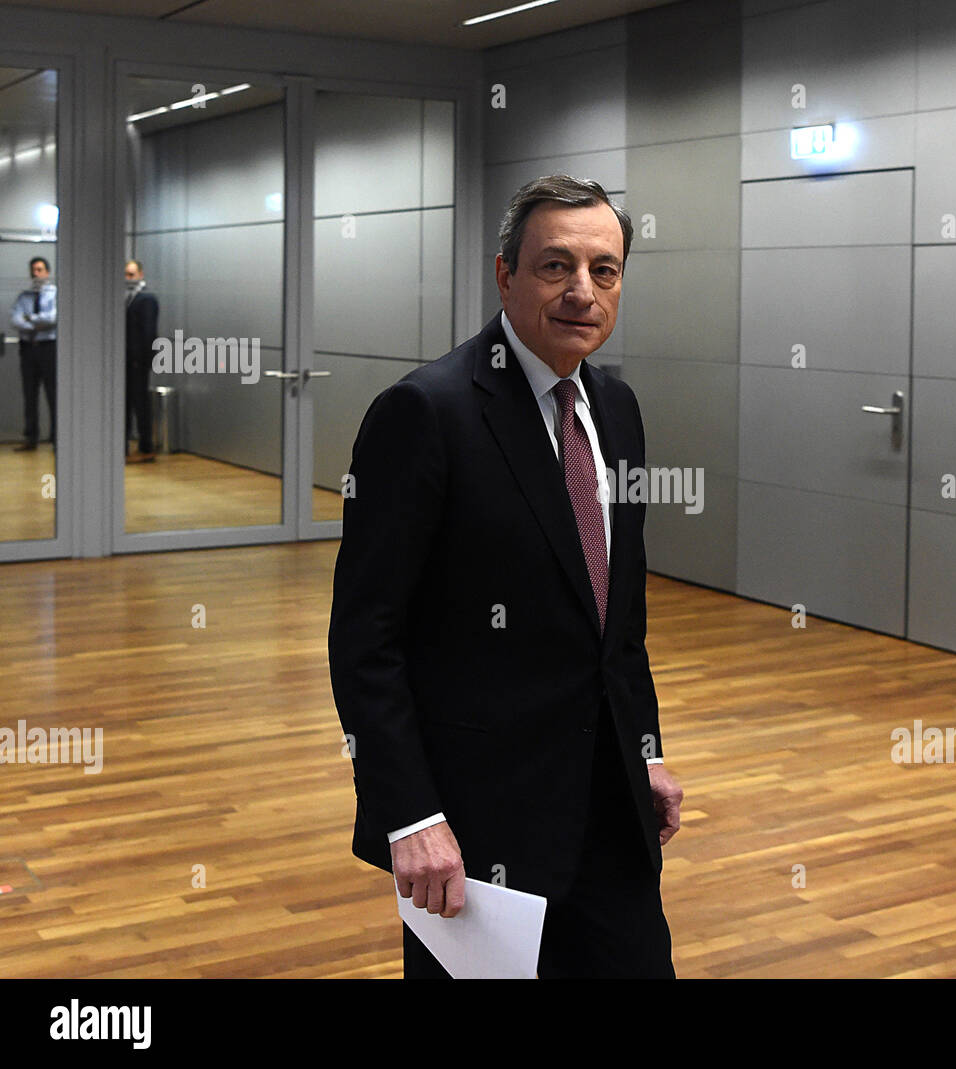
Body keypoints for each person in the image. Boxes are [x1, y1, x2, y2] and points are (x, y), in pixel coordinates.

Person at [328, 175, 683, 979]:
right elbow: (366, 638)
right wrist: (409, 813)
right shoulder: (427, 412)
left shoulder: (617, 409)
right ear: (505, 276)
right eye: (556, 266)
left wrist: (646, 750)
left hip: (610, 810)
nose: (582, 291)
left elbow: (617, 619)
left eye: (605, 269)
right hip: (476, 826)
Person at [10, 256, 56, 451]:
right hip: (28, 349)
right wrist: (37, 321)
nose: (35, 274)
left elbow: (53, 319)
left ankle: (57, 438)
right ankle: (31, 438)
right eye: (33, 270)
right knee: (30, 395)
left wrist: (30, 318)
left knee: (53, 394)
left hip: (49, 348)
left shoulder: (55, 294)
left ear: (47, 272)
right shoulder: (24, 296)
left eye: (39, 270)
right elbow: (15, 321)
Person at [124, 260, 160, 462]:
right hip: (127, 359)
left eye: (131, 274)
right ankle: (126, 445)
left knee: (140, 403)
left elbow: (149, 332)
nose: (128, 278)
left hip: (138, 360)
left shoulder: (147, 299)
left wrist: (144, 359)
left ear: (140, 274)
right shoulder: (128, 297)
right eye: (126, 274)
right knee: (127, 403)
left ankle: (146, 446)